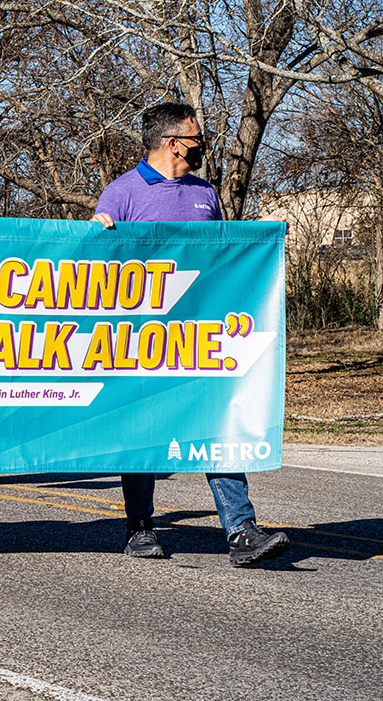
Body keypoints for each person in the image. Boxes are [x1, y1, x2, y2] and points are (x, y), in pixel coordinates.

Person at [91, 102, 290, 567]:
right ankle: (139, 527)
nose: (203, 144)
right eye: (196, 137)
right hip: (140, 340)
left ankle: (241, 531)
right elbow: (97, 268)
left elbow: (223, 260)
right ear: (173, 142)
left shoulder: (206, 193)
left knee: (217, 426)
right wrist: (98, 234)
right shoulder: (121, 193)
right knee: (141, 432)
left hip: (199, 338)